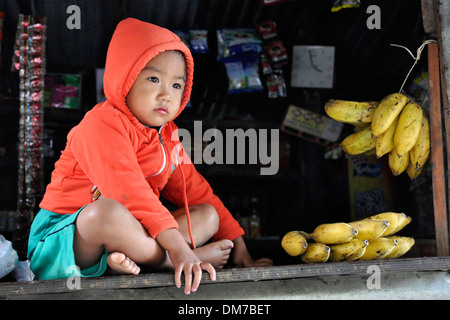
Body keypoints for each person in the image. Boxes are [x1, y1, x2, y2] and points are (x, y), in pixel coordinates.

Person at [27, 18, 272, 295]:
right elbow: (127, 192)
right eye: (154, 79)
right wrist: (179, 250)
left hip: (134, 238)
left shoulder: (168, 134)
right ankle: (168, 262)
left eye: (177, 86)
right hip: (67, 240)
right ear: (125, 78)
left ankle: (125, 262)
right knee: (104, 212)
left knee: (208, 215)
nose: (166, 95)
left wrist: (239, 246)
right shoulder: (100, 124)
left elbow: (195, 190)